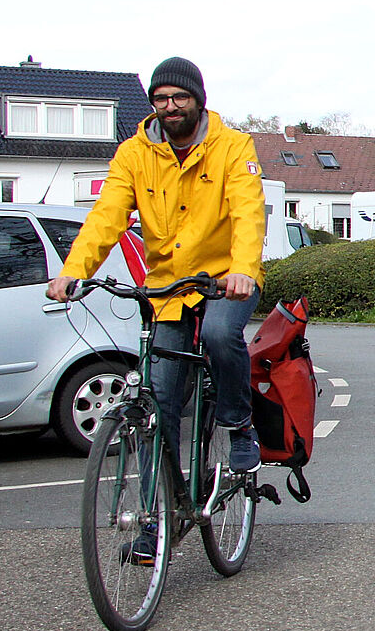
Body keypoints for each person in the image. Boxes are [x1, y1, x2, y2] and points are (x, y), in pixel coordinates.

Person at [47, 57, 266, 479]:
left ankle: (238, 425)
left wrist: (242, 269)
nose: (171, 106)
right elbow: (105, 217)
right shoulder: (134, 154)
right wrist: (73, 271)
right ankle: (155, 517)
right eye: (161, 98)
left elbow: (248, 212)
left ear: (198, 101)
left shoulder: (233, 147)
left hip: (226, 279)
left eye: (180, 97)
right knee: (158, 401)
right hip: (167, 288)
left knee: (221, 335)